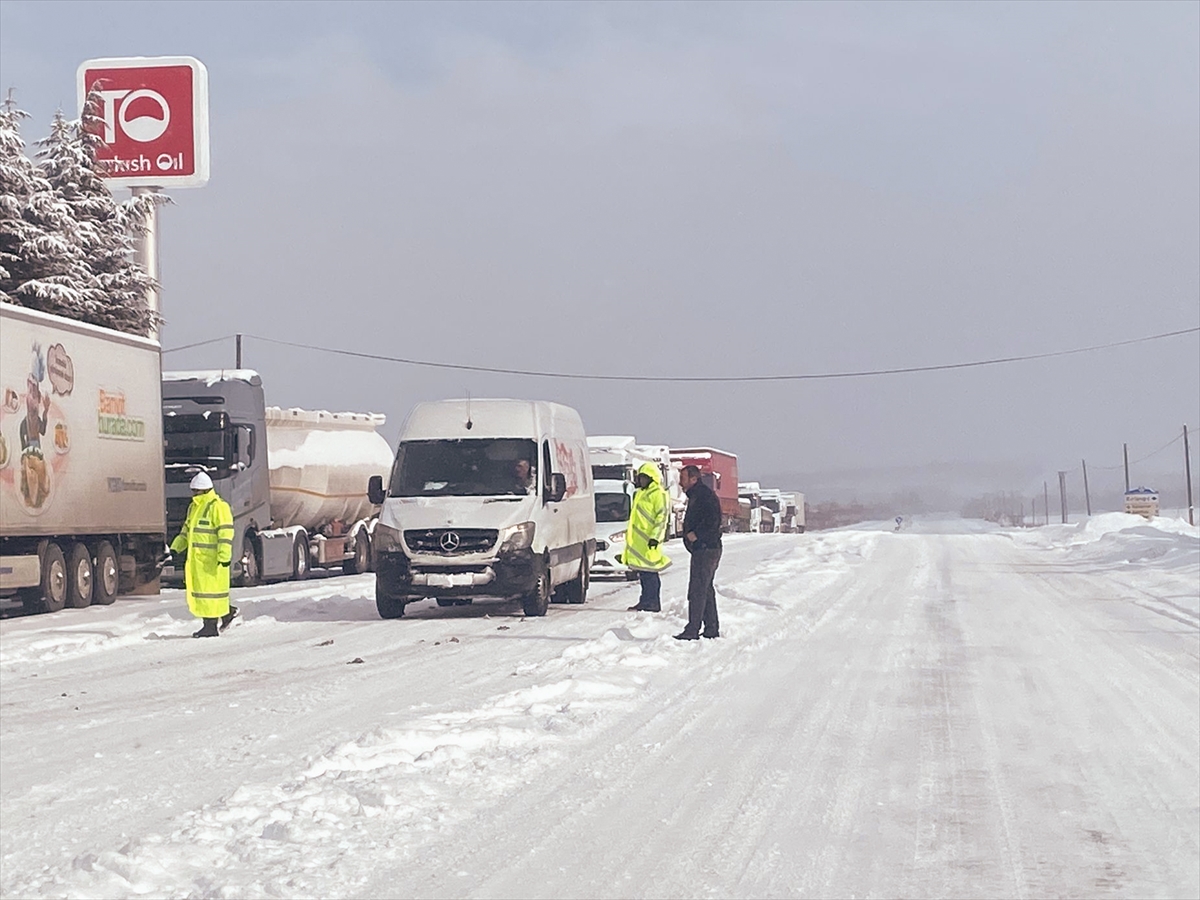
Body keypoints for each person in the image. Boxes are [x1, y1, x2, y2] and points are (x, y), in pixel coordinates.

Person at [170, 472, 237, 638]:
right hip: (198, 561)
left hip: (213, 562)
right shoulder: (194, 508)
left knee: (210, 594)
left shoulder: (218, 507)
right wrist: (175, 548)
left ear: (204, 490)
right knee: (206, 594)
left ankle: (210, 626)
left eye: (196, 491)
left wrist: (224, 557)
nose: (193, 494)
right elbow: (186, 532)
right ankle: (227, 613)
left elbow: (225, 534)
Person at [675, 465, 723, 640]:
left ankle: (692, 629)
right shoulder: (697, 495)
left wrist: (696, 535)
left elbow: (714, 520)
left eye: (683, 478)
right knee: (705, 588)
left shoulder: (704, 496)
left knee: (697, 589)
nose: (680, 482)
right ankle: (711, 628)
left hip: (706, 548)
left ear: (693, 479)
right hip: (703, 548)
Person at [622, 462, 672, 612]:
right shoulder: (640, 493)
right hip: (639, 542)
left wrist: (655, 537)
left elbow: (662, 517)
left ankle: (653, 603)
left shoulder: (659, 494)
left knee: (651, 573)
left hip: (650, 542)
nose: (641, 481)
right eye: (640, 478)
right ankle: (645, 601)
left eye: (644, 478)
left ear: (652, 478)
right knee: (644, 574)